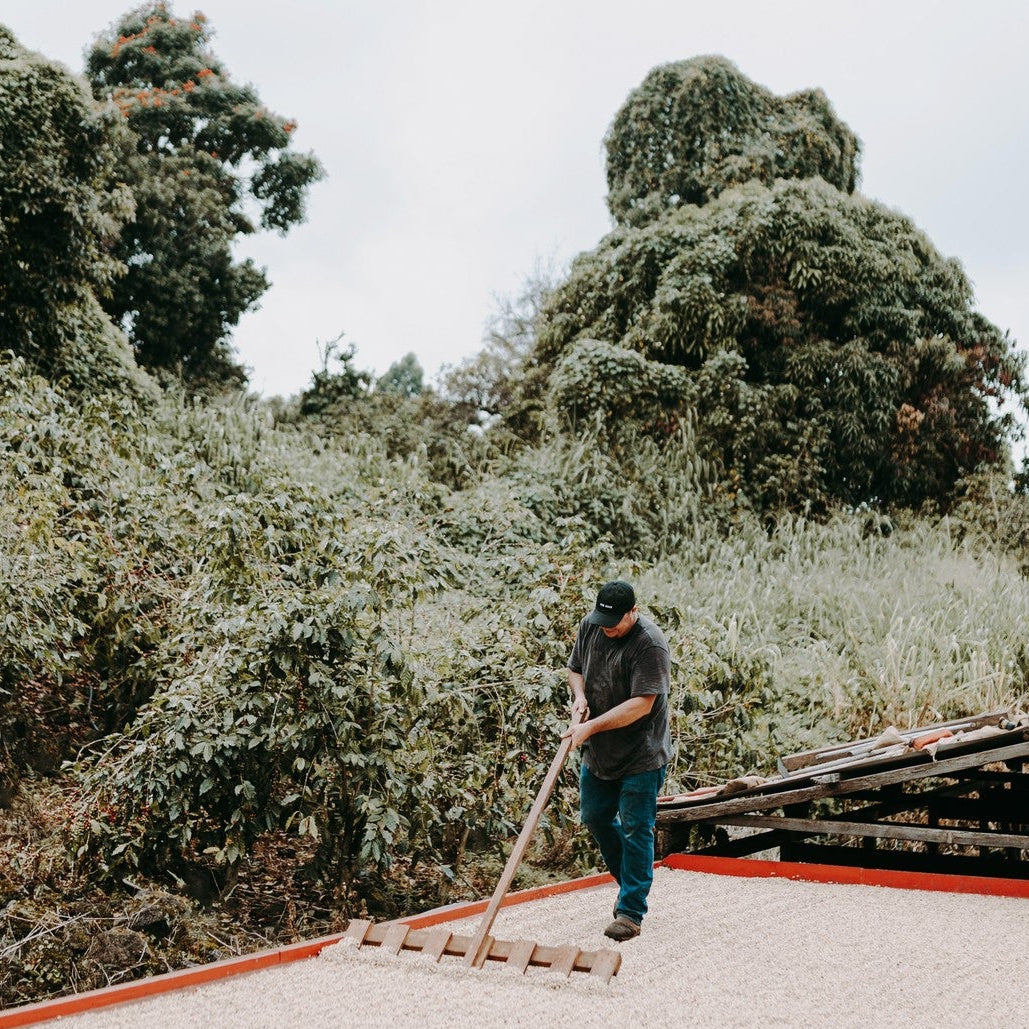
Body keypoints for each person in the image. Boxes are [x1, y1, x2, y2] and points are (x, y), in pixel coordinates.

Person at [561, 579, 672, 942]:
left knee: (636, 827)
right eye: (603, 621)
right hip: (600, 752)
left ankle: (630, 912)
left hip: (641, 753)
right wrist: (580, 697)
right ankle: (633, 883)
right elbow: (575, 669)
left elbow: (643, 704)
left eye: (615, 623)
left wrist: (590, 726)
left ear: (633, 613)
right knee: (594, 816)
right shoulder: (593, 625)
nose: (607, 628)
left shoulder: (649, 644)